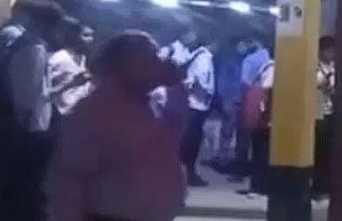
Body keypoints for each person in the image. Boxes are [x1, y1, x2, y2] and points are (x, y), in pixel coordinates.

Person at [44, 31, 189, 221]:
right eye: (149, 59)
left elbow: (171, 142)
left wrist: (176, 86)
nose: (158, 64)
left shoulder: (148, 104)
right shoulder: (96, 110)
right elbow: (68, 179)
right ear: (123, 64)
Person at [0, 0, 65, 221]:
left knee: (0, 200)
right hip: (22, 140)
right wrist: (36, 142)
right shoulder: (32, 47)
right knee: (22, 203)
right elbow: (29, 102)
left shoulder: (1, 39)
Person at [231, 38, 271, 181]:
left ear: (253, 41)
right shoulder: (269, 58)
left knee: (244, 137)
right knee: (259, 139)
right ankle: (257, 170)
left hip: (250, 100)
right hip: (266, 102)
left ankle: (240, 171)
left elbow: (244, 82)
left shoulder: (249, 59)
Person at [179, 33, 215, 186]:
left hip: (192, 103)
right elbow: (201, 78)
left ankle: (185, 173)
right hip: (197, 104)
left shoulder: (196, 56)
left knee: (189, 141)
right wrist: (207, 93)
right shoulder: (204, 58)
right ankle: (189, 174)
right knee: (192, 143)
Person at [48, 18, 95, 122]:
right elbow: (43, 92)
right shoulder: (59, 59)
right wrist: (72, 83)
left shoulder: (83, 58)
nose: (91, 39)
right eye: (86, 35)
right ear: (74, 36)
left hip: (74, 115)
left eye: (92, 36)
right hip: (57, 115)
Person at [213, 36, 248, 167]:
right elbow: (221, 82)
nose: (244, 48)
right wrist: (224, 100)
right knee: (227, 130)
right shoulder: (230, 61)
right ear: (237, 45)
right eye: (242, 45)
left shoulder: (243, 60)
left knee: (240, 132)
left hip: (241, 100)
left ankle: (235, 159)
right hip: (231, 100)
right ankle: (222, 158)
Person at [313, 36, 336, 199]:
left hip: (330, 110)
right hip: (318, 112)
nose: (332, 54)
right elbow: (317, 83)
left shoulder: (333, 66)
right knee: (319, 150)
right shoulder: (315, 66)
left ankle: (326, 184)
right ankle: (318, 186)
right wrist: (326, 80)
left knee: (328, 150)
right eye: (329, 50)